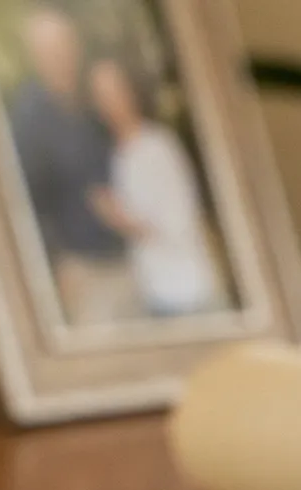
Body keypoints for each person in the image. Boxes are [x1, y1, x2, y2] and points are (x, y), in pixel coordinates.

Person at [6, 6, 142, 325]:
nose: (61, 56)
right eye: (50, 49)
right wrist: (57, 264)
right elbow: (28, 203)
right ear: (34, 54)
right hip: (84, 273)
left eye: (66, 45)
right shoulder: (28, 119)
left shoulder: (95, 100)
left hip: (131, 259)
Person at [86, 59, 229, 318]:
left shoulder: (159, 147)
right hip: (155, 292)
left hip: (187, 294)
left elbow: (178, 223)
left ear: (132, 92)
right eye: (101, 96)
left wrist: (119, 218)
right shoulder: (118, 156)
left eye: (115, 91)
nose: (110, 102)